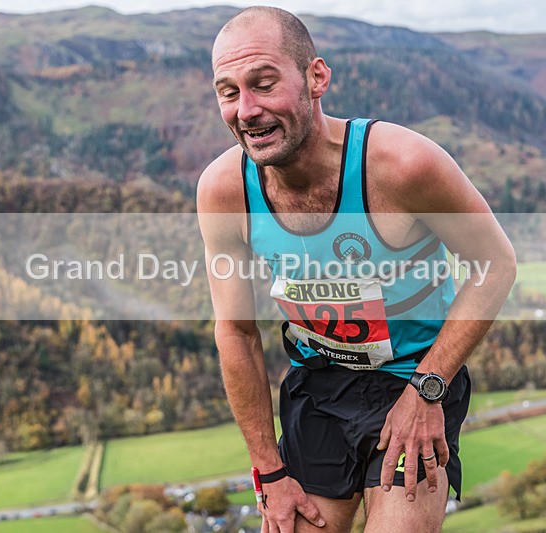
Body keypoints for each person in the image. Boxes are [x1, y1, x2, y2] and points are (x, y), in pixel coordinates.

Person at [196, 6, 516, 532]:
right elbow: (234, 330)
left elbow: (495, 265)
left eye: (264, 83)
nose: (246, 110)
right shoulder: (224, 190)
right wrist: (269, 472)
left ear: (316, 77)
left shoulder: (402, 166)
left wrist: (428, 389)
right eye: (229, 92)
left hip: (415, 377)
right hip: (317, 388)